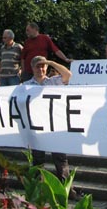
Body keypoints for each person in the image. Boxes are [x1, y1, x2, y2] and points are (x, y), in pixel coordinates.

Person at [22, 56, 75, 196]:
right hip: (36, 127)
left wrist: (51, 62)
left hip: (54, 126)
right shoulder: (25, 85)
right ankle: (37, 189)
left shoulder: (54, 81)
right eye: (38, 66)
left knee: (60, 159)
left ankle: (65, 189)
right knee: (38, 160)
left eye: (43, 66)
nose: (41, 69)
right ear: (32, 68)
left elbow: (68, 75)